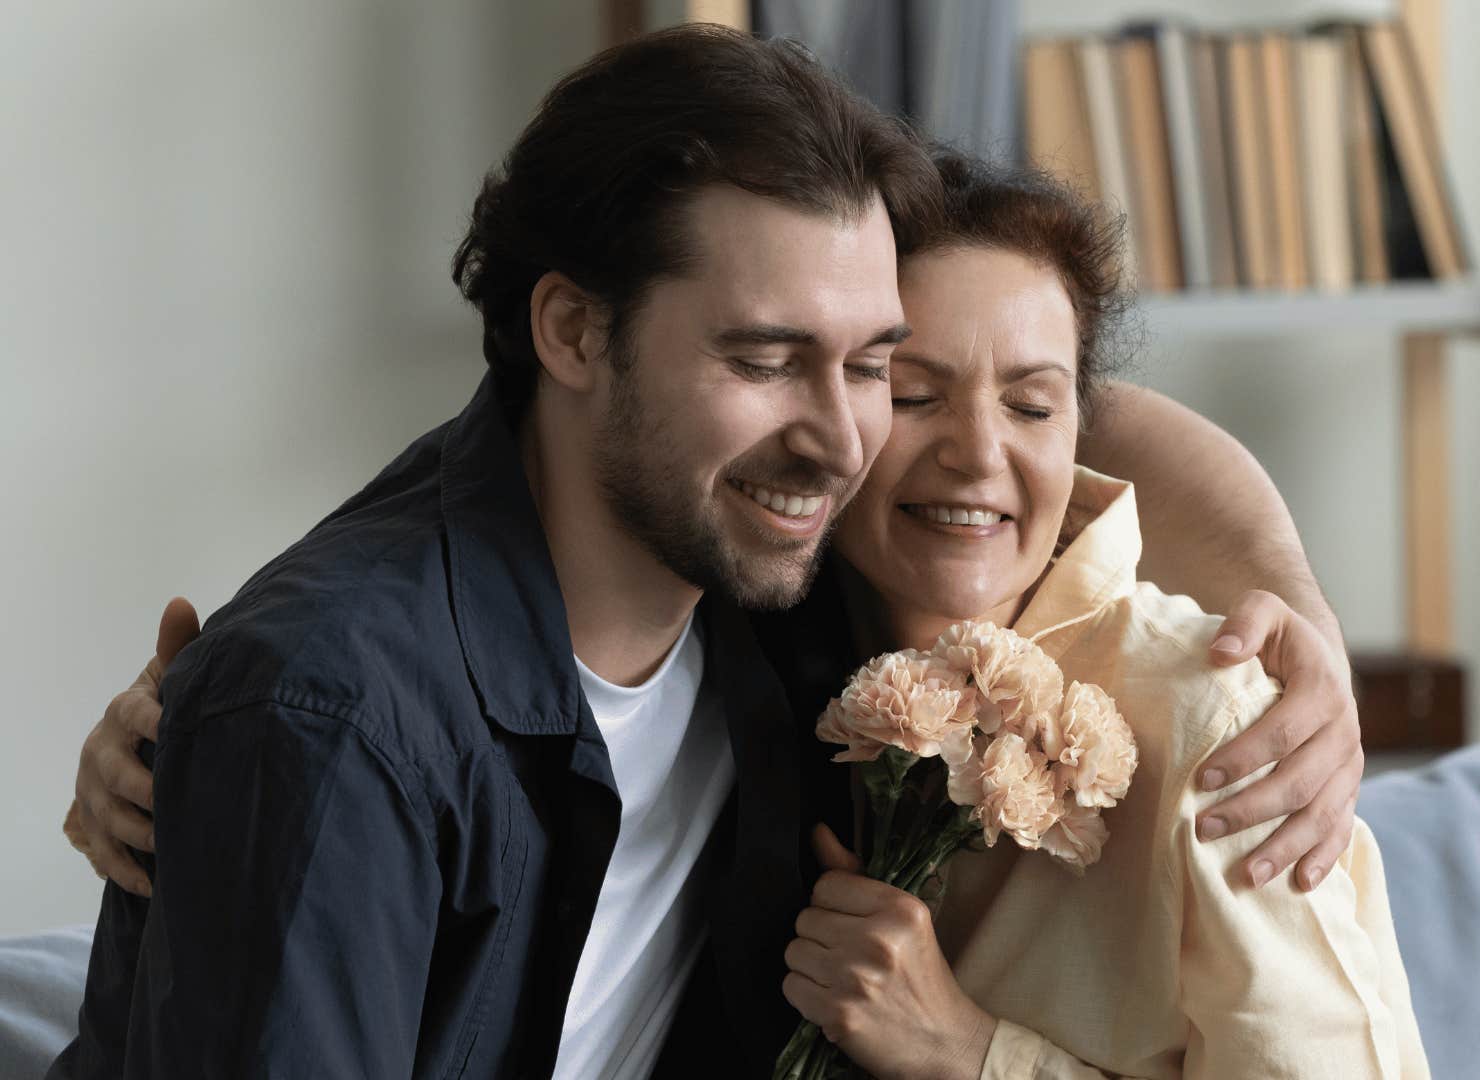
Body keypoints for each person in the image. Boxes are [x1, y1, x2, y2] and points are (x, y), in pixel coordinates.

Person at [55, 26, 1367, 1080]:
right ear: (571, 333)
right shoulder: (342, 710)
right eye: (765, 359)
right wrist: (250, 719)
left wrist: (1295, 609)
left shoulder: (782, 607)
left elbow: (1048, 402)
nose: (846, 436)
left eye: (870, 368)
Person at [757, 152, 1429, 1079]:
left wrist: (968, 1053)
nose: (978, 452)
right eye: (914, 394)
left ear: (1079, 426)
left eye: (1032, 405)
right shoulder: (758, 653)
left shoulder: (1215, 715)